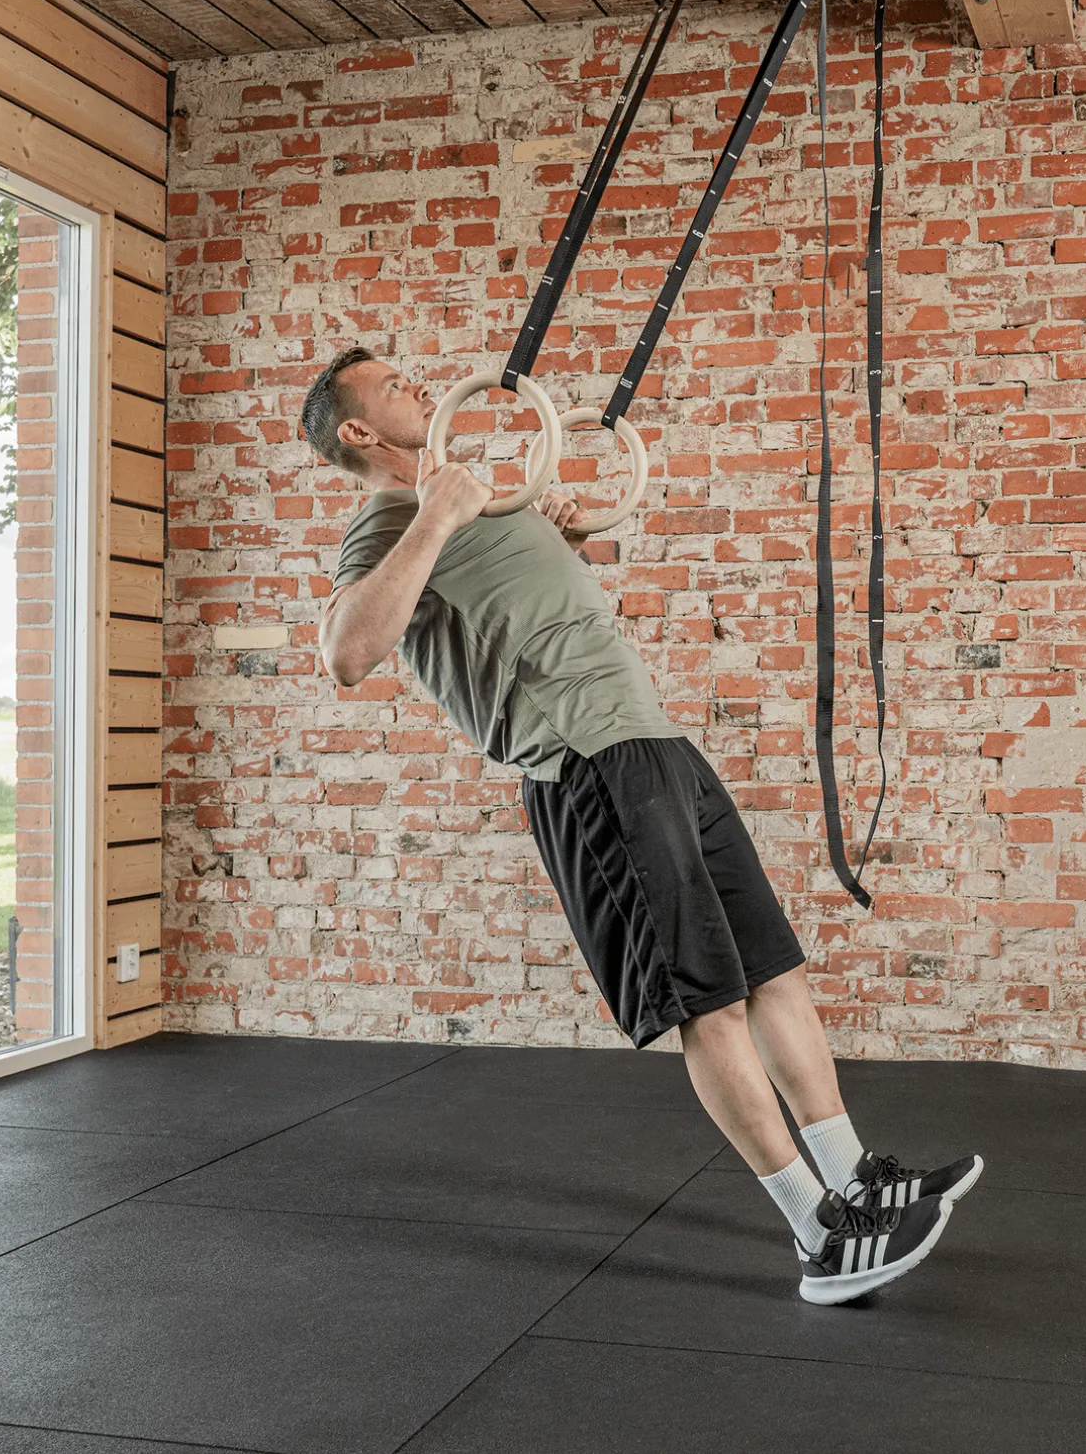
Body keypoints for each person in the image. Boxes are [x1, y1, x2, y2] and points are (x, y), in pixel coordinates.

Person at [303, 345, 982, 1304]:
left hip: (653, 742)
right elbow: (346, 651)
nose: (416, 382)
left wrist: (567, 541)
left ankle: (854, 1175)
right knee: (708, 1001)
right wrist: (437, 513)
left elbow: (521, 618)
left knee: (771, 972)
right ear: (359, 433)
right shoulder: (387, 521)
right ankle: (821, 1238)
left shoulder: (484, 500)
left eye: (409, 372)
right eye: (388, 385)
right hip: (586, 766)